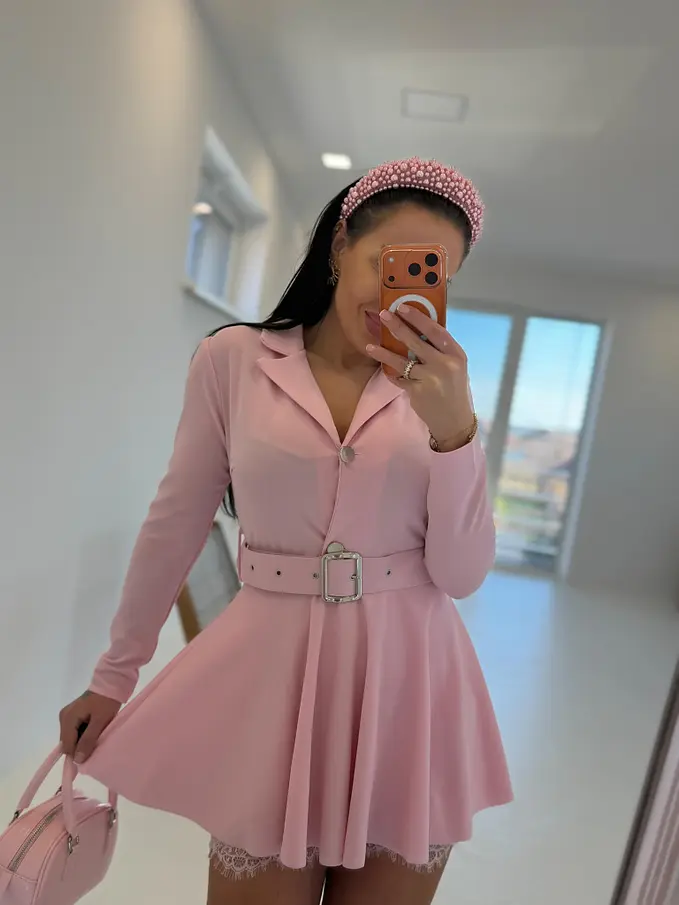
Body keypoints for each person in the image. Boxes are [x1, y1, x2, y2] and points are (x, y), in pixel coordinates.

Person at [59, 157, 512, 905]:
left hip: (410, 687)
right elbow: (175, 521)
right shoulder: (232, 361)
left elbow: (461, 574)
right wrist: (114, 675)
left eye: (433, 275)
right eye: (389, 263)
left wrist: (454, 433)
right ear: (339, 245)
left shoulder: (445, 395)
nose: (402, 294)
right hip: (272, 682)